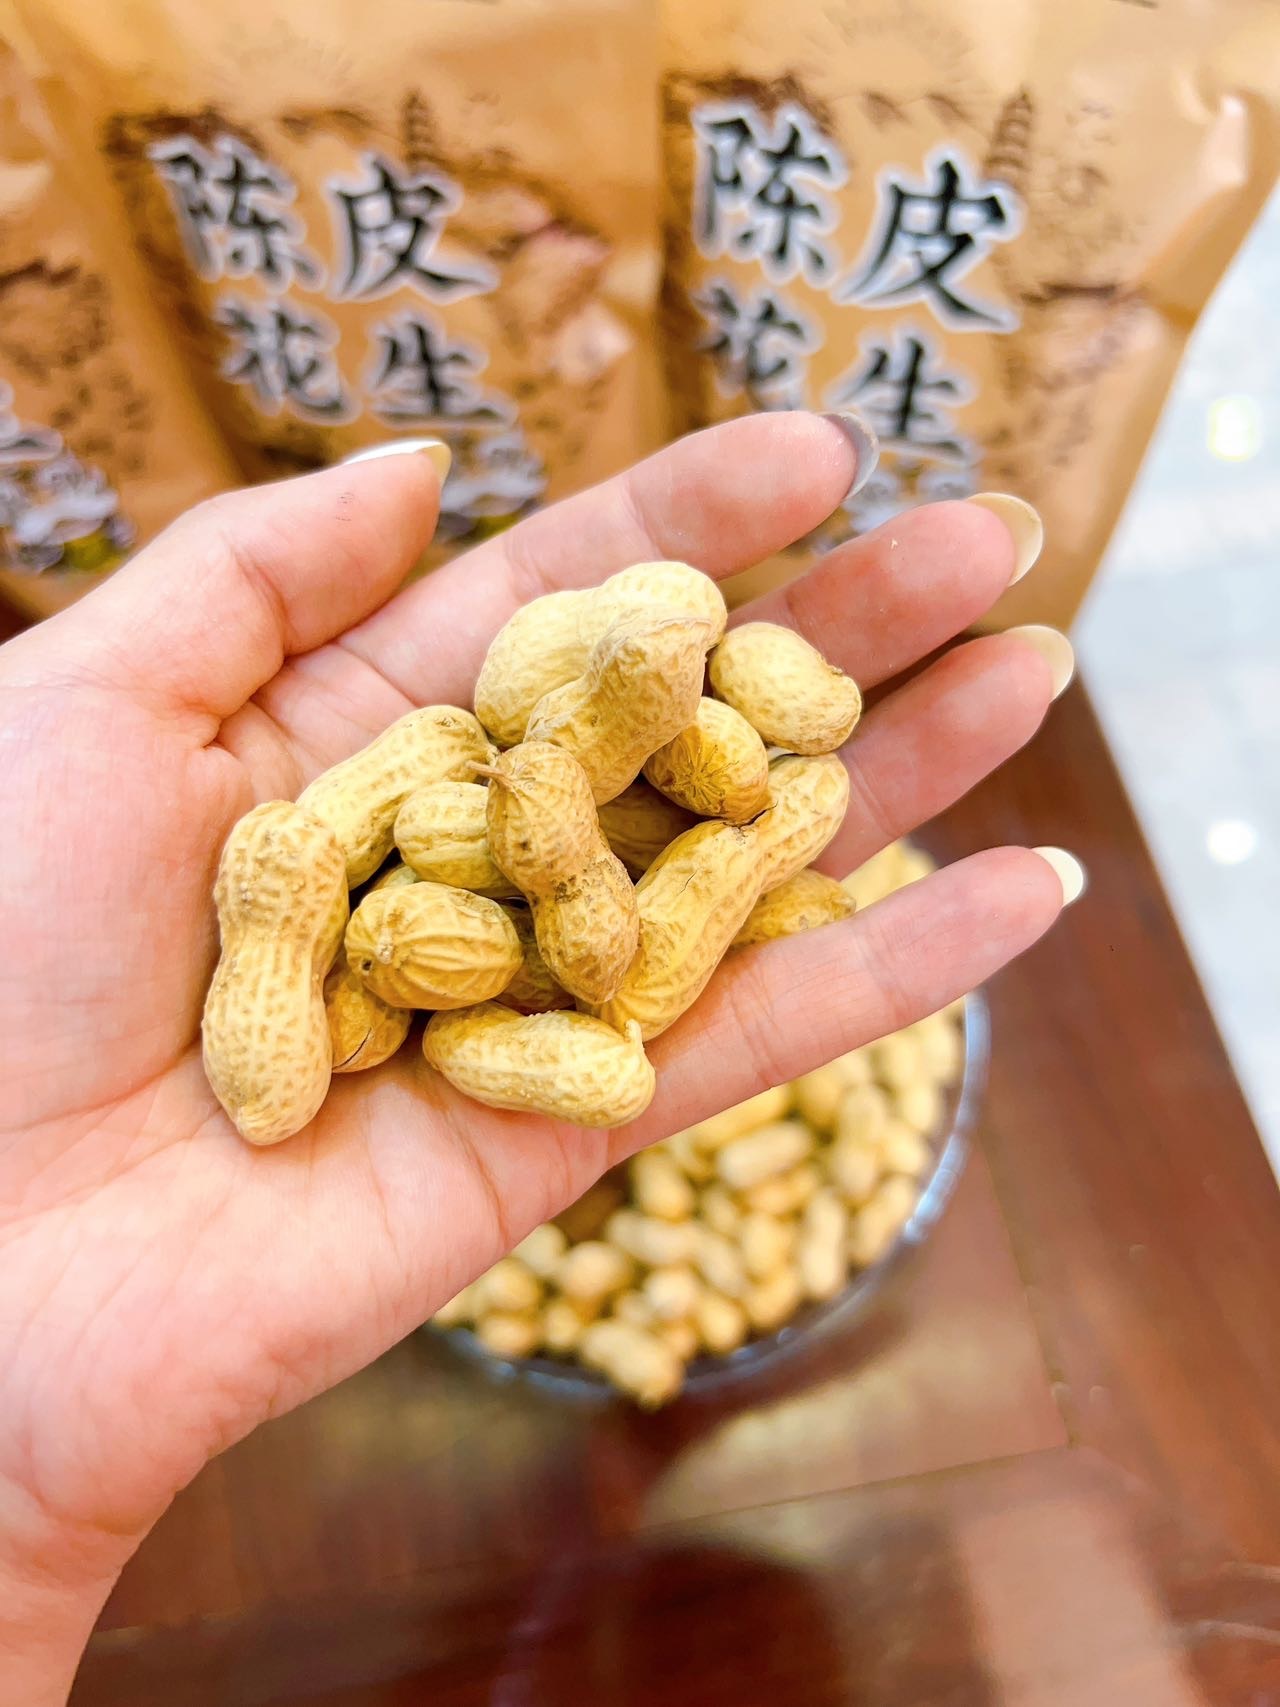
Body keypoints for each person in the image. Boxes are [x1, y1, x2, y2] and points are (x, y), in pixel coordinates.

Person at [0, 410, 1080, 1702]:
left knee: (622, 902)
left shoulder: (622, 790)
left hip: (566, 862)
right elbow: (491, 828)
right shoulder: (415, 838)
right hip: (493, 883)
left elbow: (612, 850)